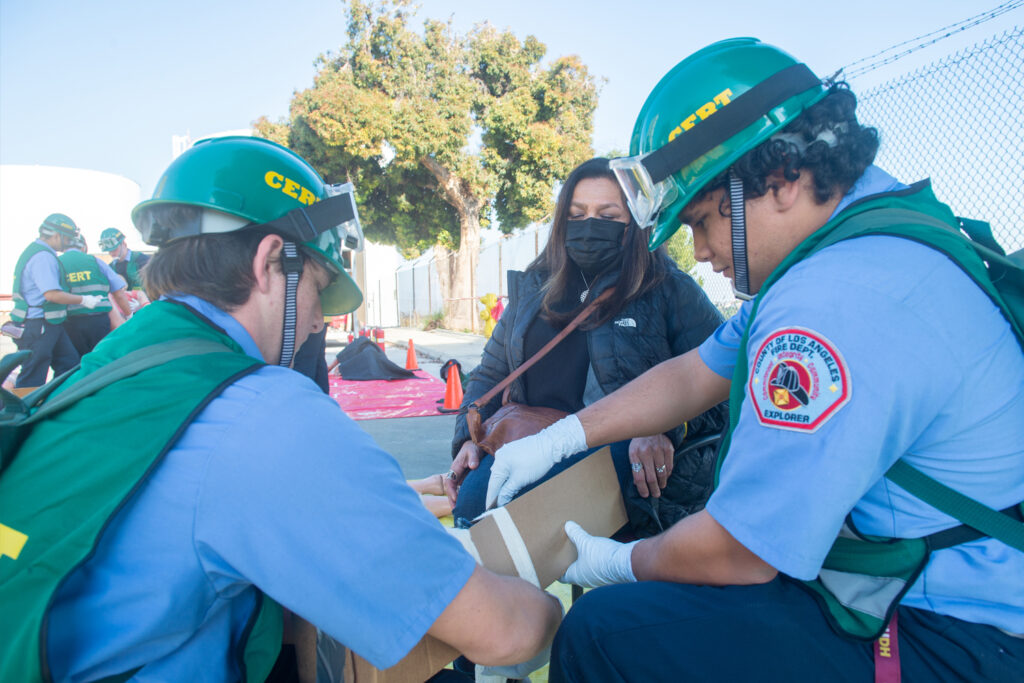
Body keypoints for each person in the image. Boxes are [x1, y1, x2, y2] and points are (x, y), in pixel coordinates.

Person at [487, 39, 1024, 681]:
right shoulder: (868, 238)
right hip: (926, 583)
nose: (702, 250)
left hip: (952, 630)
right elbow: (694, 373)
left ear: (780, 181)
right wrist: (560, 438)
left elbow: (740, 552)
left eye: (703, 220)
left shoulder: (832, 301)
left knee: (604, 631)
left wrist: (616, 563)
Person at [0, 136, 561, 682]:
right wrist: (569, 591)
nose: (317, 322)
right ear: (272, 260)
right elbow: (506, 633)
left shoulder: (112, 365)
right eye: (317, 289)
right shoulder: (257, 412)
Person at [445, 157, 727, 535]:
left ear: (635, 223)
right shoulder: (534, 288)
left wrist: (663, 425)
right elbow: (491, 373)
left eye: (608, 216)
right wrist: (468, 437)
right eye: (577, 215)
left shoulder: (669, 288)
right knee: (476, 505)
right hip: (529, 439)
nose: (590, 227)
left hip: (617, 454)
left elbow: (724, 389)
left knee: (500, 521)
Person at [8, 213, 101, 388]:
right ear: (57, 235)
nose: (68, 242)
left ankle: (56, 404)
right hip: (38, 326)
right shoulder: (43, 257)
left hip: (50, 323)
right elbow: (51, 294)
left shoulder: (36, 252)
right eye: (67, 237)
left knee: (69, 365)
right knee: (33, 374)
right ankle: (23, 413)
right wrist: (84, 300)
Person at [58, 233, 133, 355]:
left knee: (77, 362)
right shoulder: (95, 261)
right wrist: (129, 316)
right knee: (101, 358)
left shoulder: (56, 263)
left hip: (70, 322)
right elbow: (119, 293)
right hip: (98, 322)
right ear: (83, 247)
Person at [99, 226, 152, 309]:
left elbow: (156, 287)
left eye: (114, 249)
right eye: (109, 251)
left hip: (147, 307)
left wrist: (144, 303)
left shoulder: (142, 260)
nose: (112, 253)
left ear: (123, 244)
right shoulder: (109, 268)